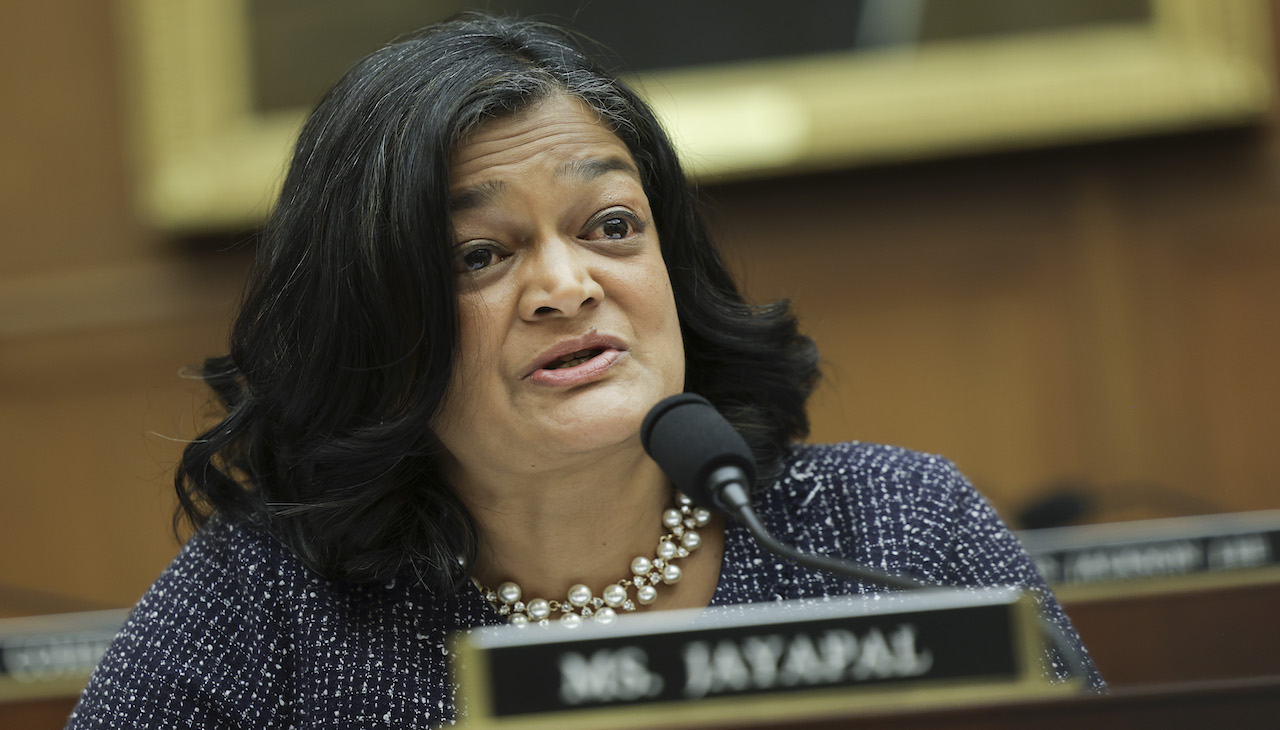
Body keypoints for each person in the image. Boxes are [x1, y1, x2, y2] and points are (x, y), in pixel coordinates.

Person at [68, 13, 1101, 729]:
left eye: (609, 226)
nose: (565, 286)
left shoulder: (888, 531)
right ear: (372, 324)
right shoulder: (268, 609)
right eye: (480, 255)